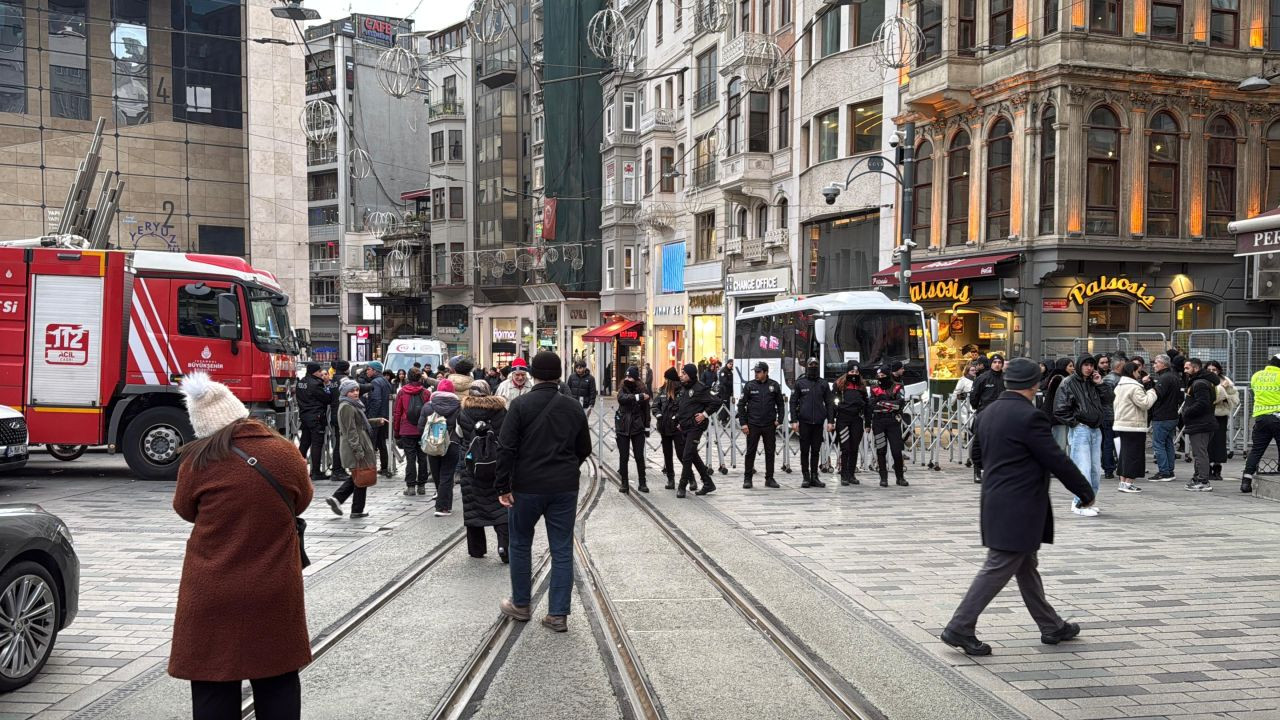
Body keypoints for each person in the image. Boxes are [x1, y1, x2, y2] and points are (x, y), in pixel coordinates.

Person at [171, 372, 311, 719]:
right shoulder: (284, 452)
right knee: (277, 682)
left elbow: (185, 510)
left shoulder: (198, 461)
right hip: (274, 589)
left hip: (211, 591)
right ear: (239, 411)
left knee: (212, 686)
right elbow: (302, 500)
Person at [940, 358, 1095, 657]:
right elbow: (1055, 458)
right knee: (998, 566)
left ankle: (1051, 625)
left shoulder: (987, 413)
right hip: (1020, 505)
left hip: (996, 498)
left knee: (1026, 567)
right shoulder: (1029, 416)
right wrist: (1084, 490)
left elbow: (978, 454)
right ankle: (959, 626)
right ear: (1033, 385)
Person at [496, 351, 592, 633]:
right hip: (563, 487)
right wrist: (565, 464)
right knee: (562, 548)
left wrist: (503, 486)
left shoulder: (521, 405)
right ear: (560, 373)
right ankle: (558, 614)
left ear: (534, 374)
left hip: (526, 486)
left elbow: (506, 448)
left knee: (520, 542)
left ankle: (521, 604)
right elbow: (584, 448)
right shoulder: (573, 407)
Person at [1053, 354, 1113, 516]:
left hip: (1095, 429)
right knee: (1083, 468)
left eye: (1091, 365)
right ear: (1080, 365)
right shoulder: (1069, 382)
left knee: (1094, 469)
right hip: (1080, 430)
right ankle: (1078, 503)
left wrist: (1100, 383)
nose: (1089, 368)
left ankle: (1088, 501)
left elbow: (1109, 399)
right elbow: (1059, 409)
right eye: (1085, 365)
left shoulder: (1093, 381)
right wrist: (1075, 423)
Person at [457, 383, 510, 562]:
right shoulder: (500, 411)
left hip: (472, 466)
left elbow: (459, 434)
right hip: (497, 465)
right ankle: (504, 546)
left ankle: (477, 549)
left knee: (473, 508)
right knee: (501, 508)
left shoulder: (463, 412)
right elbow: (508, 436)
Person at [326, 379, 380, 519]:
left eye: (356, 390)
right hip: (356, 445)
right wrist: (358, 449)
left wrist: (375, 421)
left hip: (360, 443)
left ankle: (350, 506)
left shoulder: (353, 405)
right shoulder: (346, 406)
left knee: (359, 474)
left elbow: (360, 423)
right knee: (361, 474)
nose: (355, 393)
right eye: (351, 391)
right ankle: (342, 500)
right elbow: (350, 430)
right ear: (345, 392)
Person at [674, 363, 721, 497]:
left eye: (684, 374)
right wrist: (678, 420)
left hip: (695, 427)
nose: (682, 376)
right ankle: (708, 483)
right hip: (685, 426)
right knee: (692, 455)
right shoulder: (683, 389)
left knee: (687, 455)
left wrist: (704, 414)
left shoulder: (700, 388)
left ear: (691, 375)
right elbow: (682, 407)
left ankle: (682, 486)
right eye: (682, 373)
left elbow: (716, 402)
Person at [1111, 361, 1157, 494]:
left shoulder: (1119, 385)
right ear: (1132, 372)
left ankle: (1123, 482)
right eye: (1137, 371)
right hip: (1134, 426)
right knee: (1134, 455)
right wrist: (1152, 392)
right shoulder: (1134, 386)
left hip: (1122, 424)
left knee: (1125, 455)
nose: (1138, 374)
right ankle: (1129, 483)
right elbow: (1145, 403)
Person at [738, 361, 785, 489]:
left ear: (765, 372)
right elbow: (741, 405)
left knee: (770, 452)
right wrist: (743, 423)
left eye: (758, 372)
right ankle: (748, 478)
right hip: (753, 424)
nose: (756, 374)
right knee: (750, 452)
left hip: (769, 424)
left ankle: (769, 478)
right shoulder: (749, 386)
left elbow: (781, 404)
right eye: (755, 372)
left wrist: (779, 419)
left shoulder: (774, 385)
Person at [421, 378, 463, 515]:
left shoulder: (428, 406)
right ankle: (443, 507)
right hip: (452, 443)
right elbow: (464, 426)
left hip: (433, 444)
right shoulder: (459, 406)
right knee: (447, 474)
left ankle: (442, 500)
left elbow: (420, 426)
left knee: (437, 474)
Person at [790, 358, 833, 489]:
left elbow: (829, 403)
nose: (813, 366)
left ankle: (815, 476)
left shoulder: (823, 384)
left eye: (815, 365)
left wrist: (831, 421)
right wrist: (794, 420)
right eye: (811, 365)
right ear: (807, 366)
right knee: (804, 450)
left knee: (815, 451)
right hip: (804, 422)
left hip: (818, 423)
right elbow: (793, 402)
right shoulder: (800, 383)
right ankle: (806, 476)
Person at [1241, 353, 1280, 494]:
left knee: (1257, 450)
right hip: (1278, 417)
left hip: (1260, 417)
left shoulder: (1256, 375)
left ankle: (1246, 481)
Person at [1181, 358, 1218, 492]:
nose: (1185, 371)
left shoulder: (1200, 383)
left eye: (1187, 368)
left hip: (1201, 423)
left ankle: (1203, 480)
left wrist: (1186, 412)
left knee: (1200, 452)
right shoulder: (1199, 382)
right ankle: (1198, 477)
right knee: (1198, 452)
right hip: (1201, 423)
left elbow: (1202, 403)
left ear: (1195, 369)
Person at [393, 368, 430, 497]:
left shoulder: (402, 392)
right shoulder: (426, 393)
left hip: (406, 429)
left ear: (408, 377)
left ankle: (410, 487)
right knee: (422, 458)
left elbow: (397, 413)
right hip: (422, 429)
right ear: (420, 378)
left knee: (410, 458)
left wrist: (396, 431)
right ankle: (422, 486)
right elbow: (429, 412)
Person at [869, 366, 908, 487]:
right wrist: (889, 403)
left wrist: (882, 403)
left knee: (897, 451)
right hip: (879, 422)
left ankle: (900, 477)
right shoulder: (874, 388)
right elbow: (871, 406)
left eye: (883, 376)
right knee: (881, 450)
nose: (881, 378)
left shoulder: (897, 386)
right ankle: (883, 478)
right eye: (879, 376)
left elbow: (900, 404)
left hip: (893, 421)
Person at [615, 366, 651, 493]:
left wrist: (647, 427)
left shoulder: (643, 389)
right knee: (623, 456)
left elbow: (646, 410)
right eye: (627, 376)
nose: (627, 379)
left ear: (636, 378)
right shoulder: (622, 388)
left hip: (637, 426)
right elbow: (621, 399)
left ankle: (643, 482)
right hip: (623, 426)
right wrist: (637, 397)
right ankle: (624, 483)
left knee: (639, 456)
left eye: (630, 377)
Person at [833, 362, 869, 487]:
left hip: (857, 419)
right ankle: (843, 475)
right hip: (843, 419)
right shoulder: (839, 384)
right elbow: (833, 403)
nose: (854, 374)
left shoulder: (862, 386)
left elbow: (867, 404)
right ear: (847, 372)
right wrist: (831, 421)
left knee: (854, 447)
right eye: (851, 372)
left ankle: (851, 474)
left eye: (856, 372)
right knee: (845, 448)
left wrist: (868, 422)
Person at [1148, 354, 1182, 482]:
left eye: (1156, 362)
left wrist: (1149, 387)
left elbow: (1157, 395)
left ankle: (1164, 471)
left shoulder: (1164, 378)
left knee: (1159, 444)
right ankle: (1169, 470)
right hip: (1172, 415)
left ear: (1164, 364)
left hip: (1162, 416)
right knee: (1168, 443)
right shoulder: (1174, 376)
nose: (1154, 365)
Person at [1205, 360, 1239, 485]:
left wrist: (1226, 397)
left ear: (1219, 370)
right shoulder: (1203, 381)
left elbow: (1235, 397)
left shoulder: (1227, 381)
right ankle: (1206, 468)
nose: (1212, 372)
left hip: (1221, 415)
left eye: (1214, 370)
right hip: (1207, 415)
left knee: (1219, 441)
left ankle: (1217, 468)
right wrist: (1221, 389)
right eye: (1209, 370)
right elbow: (1210, 398)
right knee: (1207, 442)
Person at [296, 362, 331, 482]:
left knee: (304, 443)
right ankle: (316, 471)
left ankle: (298, 469)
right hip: (316, 416)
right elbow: (326, 399)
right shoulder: (316, 384)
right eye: (320, 371)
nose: (321, 373)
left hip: (305, 416)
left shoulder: (301, 382)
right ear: (315, 371)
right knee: (317, 444)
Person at [362, 361, 393, 478]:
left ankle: (370, 468)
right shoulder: (386, 381)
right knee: (381, 443)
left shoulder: (375, 382)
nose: (367, 371)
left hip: (377, 417)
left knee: (371, 443)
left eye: (368, 369)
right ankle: (384, 467)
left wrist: (371, 418)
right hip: (385, 416)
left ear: (375, 370)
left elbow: (376, 400)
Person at [653, 368, 682, 489]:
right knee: (667, 454)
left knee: (682, 454)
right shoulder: (662, 391)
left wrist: (679, 419)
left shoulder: (681, 391)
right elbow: (655, 405)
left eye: (666, 379)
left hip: (677, 428)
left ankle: (690, 478)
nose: (665, 381)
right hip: (664, 428)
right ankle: (671, 479)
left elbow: (684, 408)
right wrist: (658, 414)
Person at [327, 361, 354, 482]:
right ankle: (338, 471)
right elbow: (355, 389)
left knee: (338, 442)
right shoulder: (344, 380)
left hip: (334, 412)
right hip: (342, 413)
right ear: (346, 369)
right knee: (341, 444)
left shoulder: (333, 380)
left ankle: (338, 469)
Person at [1041, 358, 1073, 451]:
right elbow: (1055, 399)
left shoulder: (1060, 378)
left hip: (1060, 417)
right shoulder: (1059, 378)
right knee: (1060, 444)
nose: (1073, 368)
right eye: (1070, 366)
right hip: (1058, 417)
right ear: (1063, 366)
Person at [1097, 354, 1118, 480]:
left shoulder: (1109, 377)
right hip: (1106, 414)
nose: (1105, 364)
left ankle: (1109, 467)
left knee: (1109, 442)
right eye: (1102, 362)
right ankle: (1109, 468)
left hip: (1110, 413)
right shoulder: (1105, 378)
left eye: (1106, 362)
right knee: (1108, 442)